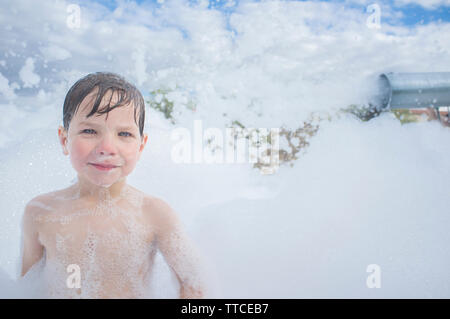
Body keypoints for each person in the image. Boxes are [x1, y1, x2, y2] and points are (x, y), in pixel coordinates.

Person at [20, 72, 208, 298]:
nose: (107, 147)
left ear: (141, 146)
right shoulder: (40, 212)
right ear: (64, 139)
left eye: (124, 134)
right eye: (89, 131)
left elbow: (193, 283)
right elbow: (26, 287)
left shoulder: (155, 214)